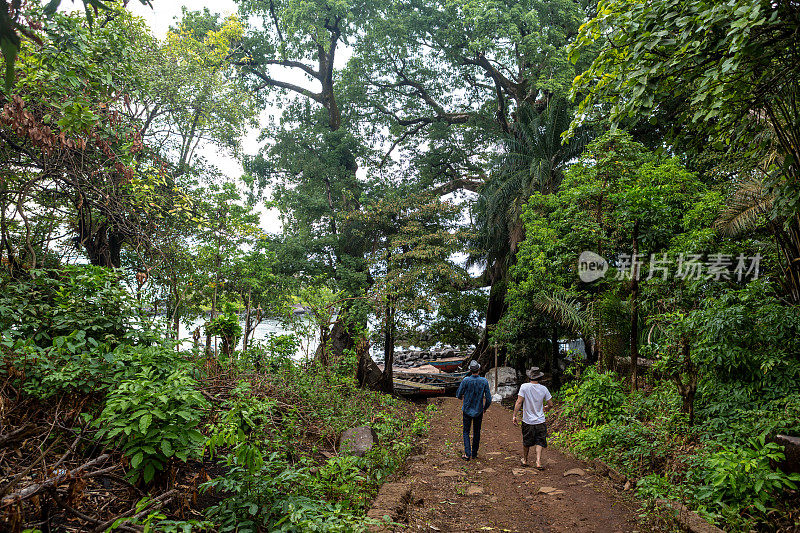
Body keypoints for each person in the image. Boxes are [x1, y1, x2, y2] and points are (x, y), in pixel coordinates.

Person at [512, 367, 553, 469]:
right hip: (540, 420)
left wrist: (514, 415)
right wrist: (547, 407)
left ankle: (525, 460)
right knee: (540, 441)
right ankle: (538, 461)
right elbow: (551, 404)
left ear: (529, 377)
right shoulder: (544, 389)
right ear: (539, 377)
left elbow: (519, 402)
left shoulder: (524, 387)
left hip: (528, 421)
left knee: (527, 441)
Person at [455, 360, 492, 461]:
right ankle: (474, 453)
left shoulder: (466, 380)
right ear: (479, 370)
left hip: (467, 409)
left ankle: (467, 454)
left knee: (466, 431)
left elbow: (459, 394)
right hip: (478, 410)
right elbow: (488, 398)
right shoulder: (484, 381)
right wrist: (485, 408)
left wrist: (461, 397)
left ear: (470, 370)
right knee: (477, 432)